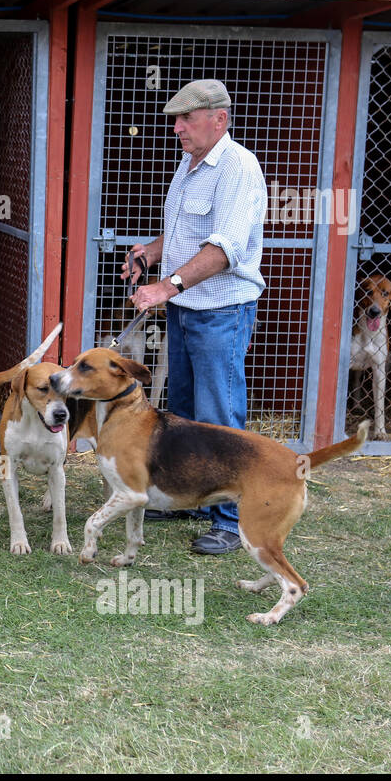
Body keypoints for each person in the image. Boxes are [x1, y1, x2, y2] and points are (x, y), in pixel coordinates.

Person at [124, 78, 267, 555]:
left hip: (221, 309)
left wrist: (166, 285)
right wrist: (150, 252)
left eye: (186, 119)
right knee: (182, 412)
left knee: (219, 415)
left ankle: (231, 519)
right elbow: (186, 235)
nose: (177, 129)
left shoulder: (238, 168)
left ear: (218, 118)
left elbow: (224, 249)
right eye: (175, 120)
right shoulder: (189, 165)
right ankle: (188, 497)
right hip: (188, 309)